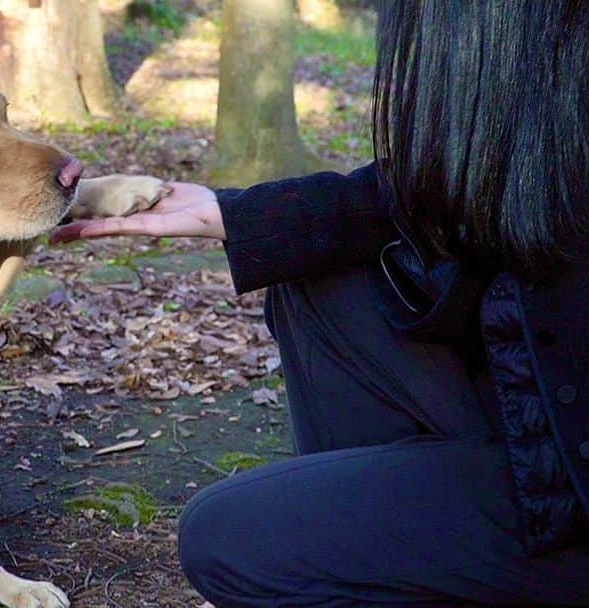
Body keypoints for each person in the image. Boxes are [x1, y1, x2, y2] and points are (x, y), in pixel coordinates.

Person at [52, 2, 588, 606]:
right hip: (545, 419)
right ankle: (382, 563)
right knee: (316, 280)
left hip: (571, 500)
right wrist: (234, 215)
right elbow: (447, 189)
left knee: (224, 537)